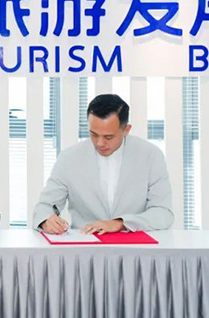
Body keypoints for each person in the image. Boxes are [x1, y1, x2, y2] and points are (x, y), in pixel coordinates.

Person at [33, 94, 173, 234]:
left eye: (108, 137)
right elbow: (45, 206)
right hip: (85, 243)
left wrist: (120, 223)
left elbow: (163, 213)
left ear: (126, 130)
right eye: (93, 134)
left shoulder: (151, 155)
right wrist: (46, 220)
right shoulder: (69, 158)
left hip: (135, 243)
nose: (100, 143)